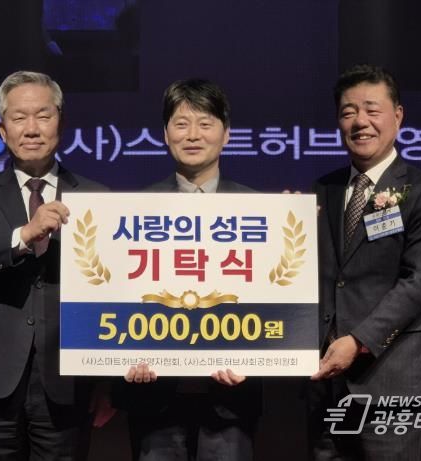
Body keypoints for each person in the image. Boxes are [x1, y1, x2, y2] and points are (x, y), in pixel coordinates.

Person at [0, 70, 108, 460]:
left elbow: (113, 290)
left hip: (69, 377)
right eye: (19, 118)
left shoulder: (97, 197)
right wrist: (24, 234)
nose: (32, 129)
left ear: (61, 124)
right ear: (3, 131)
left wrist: (108, 380)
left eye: (43, 115)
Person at [308, 64, 421, 460]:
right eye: (348, 112)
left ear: (397, 116)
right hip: (325, 386)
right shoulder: (322, 190)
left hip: (393, 383)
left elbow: (419, 283)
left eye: (372, 109)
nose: (360, 122)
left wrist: (357, 341)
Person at [117, 78, 262, 461]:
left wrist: (257, 356)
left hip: (232, 397)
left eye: (205, 123)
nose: (193, 135)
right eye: (181, 124)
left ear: (226, 134)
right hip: (153, 396)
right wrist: (123, 354)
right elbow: (118, 296)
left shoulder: (260, 211)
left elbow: (275, 302)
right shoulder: (132, 211)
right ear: (166, 134)